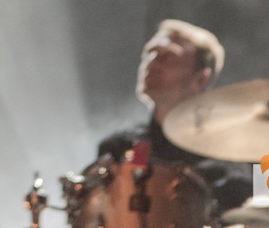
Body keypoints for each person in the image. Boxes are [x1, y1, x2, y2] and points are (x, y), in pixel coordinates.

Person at [90, 19, 251, 215]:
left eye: (168, 57)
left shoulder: (227, 156)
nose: (153, 62)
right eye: (150, 53)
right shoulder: (119, 146)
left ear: (200, 79)